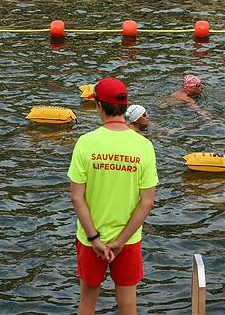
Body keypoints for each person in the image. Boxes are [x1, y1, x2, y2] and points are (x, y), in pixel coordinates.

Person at [67, 77, 158, 315]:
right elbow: (147, 203)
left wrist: (95, 239)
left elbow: (77, 198)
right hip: (127, 239)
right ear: (125, 108)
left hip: (90, 238)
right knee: (128, 306)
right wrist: (120, 241)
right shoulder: (143, 146)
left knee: (87, 304)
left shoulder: (86, 142)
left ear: (98, 106)